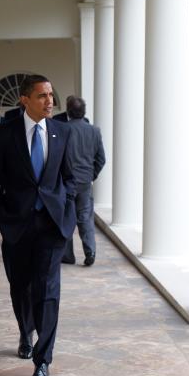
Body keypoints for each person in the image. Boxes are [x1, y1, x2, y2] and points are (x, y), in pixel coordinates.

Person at [0, 74, 76, 376]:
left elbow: (71, 177)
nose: (50, 101)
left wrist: (68, 213)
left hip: (51, 225)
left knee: (48, 291)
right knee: (20, 286)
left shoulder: (62, 132)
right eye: (42, 96)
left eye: (51, 95)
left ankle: (42, 362)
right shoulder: (5, 135)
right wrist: (0, 213)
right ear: (25, 100)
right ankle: (25, 331)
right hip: (17, 225)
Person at [60, 97, 106, 266]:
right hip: (85, 182)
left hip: (67, 182)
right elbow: (101, 159)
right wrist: (91, 175)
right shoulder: (94, 131)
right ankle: (90, 251)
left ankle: (68, 255)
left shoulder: (63, 129)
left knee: (67, 218)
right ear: (84, 111)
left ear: (68, 110)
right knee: (85, 217)